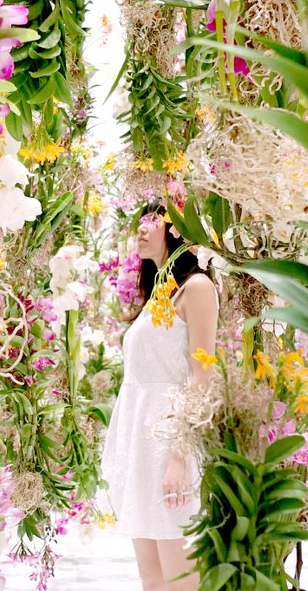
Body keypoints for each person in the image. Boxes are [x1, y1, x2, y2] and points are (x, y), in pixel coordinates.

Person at [101, 202, 219, 590]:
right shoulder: (158, 294)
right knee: (152, 578)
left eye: (152, 220)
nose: (141, 228)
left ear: (177, 228)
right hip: (140, 444)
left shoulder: (196, 288)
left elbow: (201, 376)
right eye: (140, 219)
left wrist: (179, 458)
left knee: (181, 578)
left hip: (170, 442)